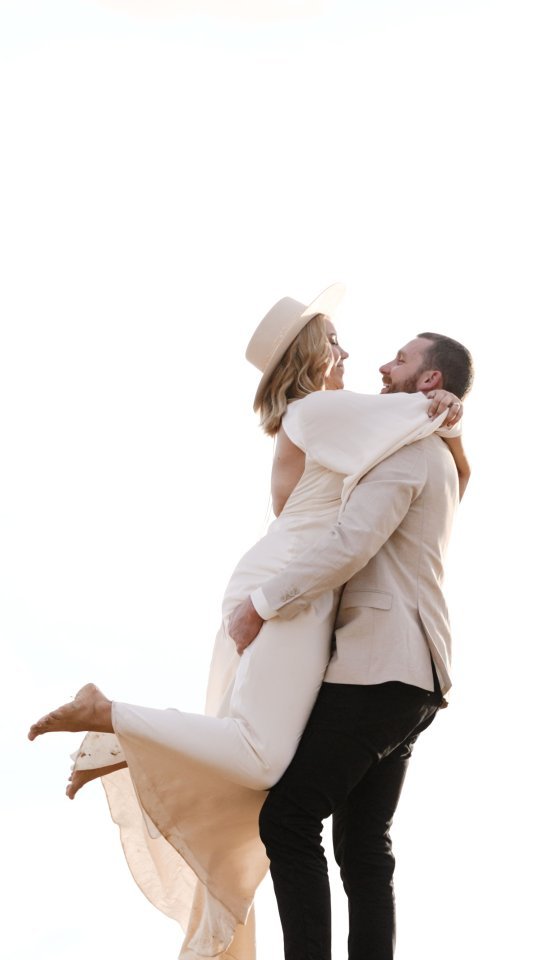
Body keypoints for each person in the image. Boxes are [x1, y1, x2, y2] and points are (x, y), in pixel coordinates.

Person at [27, 285, 465, 960]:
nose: (370, 361)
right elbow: (414, 442)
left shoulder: (352, 422)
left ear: (429, 375)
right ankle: (115, 719)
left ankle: (121, 728)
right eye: (340, 344)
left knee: (297, 794)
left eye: (400, 360)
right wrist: (444, 409)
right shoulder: (326, 411)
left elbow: (421, 461)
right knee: (276, 774)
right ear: (318, 357)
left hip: (323, 616)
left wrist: (448, 413)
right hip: (297, 595)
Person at [229, 333, 474, 960]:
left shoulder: (408, 450)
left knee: (288, 818)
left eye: (399, 360)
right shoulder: (441, 455)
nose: (382, 367)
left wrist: (260, 604)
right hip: (421, 676)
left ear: (427, 381)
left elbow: (350, 543)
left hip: (379, 663)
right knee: (363, 845)